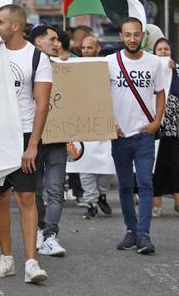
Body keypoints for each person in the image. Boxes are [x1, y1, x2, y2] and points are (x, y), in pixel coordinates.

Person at [0, 4, 51, 284]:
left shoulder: (37, 57)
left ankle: (32, 262)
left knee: (26, 198)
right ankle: (7, 259)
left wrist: (33, 144)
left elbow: (43, 104)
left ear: (15, 25)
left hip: (23, 134)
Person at [107, 17, 169, 254]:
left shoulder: (154, 62)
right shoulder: (109, 62)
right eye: (127, 35)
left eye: (136, 34)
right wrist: (109, 122)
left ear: (142, 36)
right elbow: (96, 92)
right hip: (120, 135)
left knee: (145, 183)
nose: (132, 39)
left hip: (144, 134)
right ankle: (131, 231)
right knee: (124, 186)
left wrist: (156, 122)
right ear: (121, 36)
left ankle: (144, 234)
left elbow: (160, 92)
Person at [27, 25, 69, 256]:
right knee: (34, 190)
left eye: (58, 40)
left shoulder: (67, 68)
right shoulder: (23, 67)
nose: (57, 43)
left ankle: (50, 235)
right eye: (52, 39)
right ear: (37, 42)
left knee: (55, 190)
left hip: (58, 138)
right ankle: (40, 229)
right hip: (31, 137)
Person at [77, 35, 113, 219]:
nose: (86, 51)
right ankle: (90, 201)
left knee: (106, 162)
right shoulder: (73, 67)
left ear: (97, 48)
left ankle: (102, 194)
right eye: (83, 47)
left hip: (103, 120)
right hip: (82, 123)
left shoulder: (107, 66)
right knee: (85, 164)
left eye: (89, 47)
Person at [153, 38, 179, 217]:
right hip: (156, 129)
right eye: (159, 49)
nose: (163, 52)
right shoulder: (149, 70)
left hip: (175, 128)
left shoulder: (177, 71)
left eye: (166, 49)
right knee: (156, 165)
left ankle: (177, 201)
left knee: (176, 164)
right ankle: (156, 204)